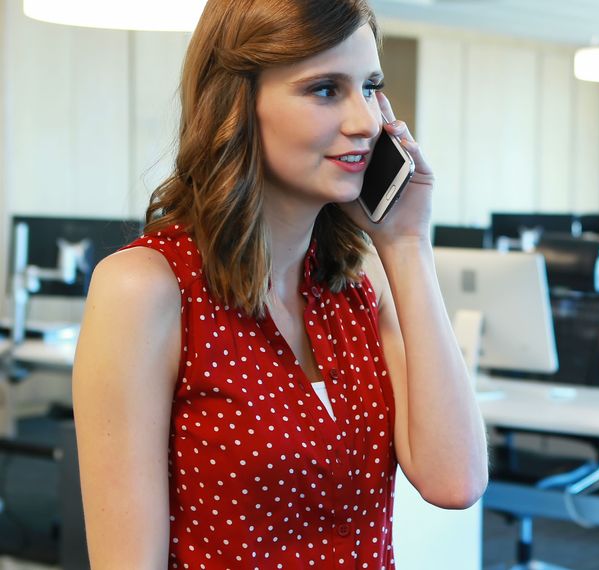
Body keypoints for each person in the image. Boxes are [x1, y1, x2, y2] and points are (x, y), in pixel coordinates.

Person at [71, 0, 488, 566]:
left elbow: (455, 480)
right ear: (238, 104)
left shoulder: (362, 280)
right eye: (324, 89)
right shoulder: (146, 288)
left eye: (370, 86)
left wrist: (408, 244)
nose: (365, 121)